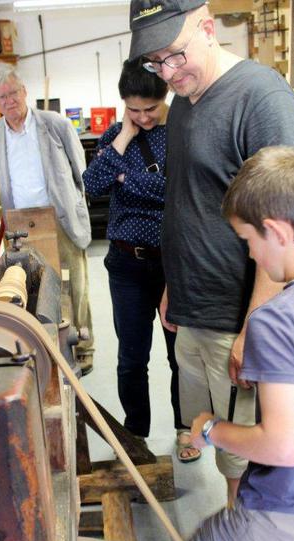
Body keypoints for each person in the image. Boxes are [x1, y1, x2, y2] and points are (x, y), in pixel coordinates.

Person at [129, 0, 294, 505]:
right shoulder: (185, 102)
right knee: (215, 435)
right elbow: (186, 200)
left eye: (174, 55)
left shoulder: (260, 98)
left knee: (245, 457)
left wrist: (257, 326)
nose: (167, 73)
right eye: (155, 63)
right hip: (193, 306)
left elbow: (282, 225)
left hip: (237, 314)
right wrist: (173, 285)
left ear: (208, 28)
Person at [171, 145, 294, 541]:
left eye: (248, 240)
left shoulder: (277, 320)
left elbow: (284, 446)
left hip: (288, 515)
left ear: (278, 232)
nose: (250, 255)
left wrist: (211, 429)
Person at [82, 59, 198, 460]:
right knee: (131, 358)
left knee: (179, 353)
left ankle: (185, 428)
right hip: (126, 264)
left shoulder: (181, 132)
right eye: (134, 110)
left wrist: (126, 178)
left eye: (150, 109)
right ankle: (135, 434)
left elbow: (176, 192)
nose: (144, 117)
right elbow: (92, 184)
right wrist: (124, 137)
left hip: (172, 263)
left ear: (164, 97)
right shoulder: (116, 135)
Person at [0, 62, 94, 375]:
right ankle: (46, 347)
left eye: (13, 93)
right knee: (33, 288)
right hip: (21, 224)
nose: (9, 101)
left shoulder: (55, 124)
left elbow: (81, 173)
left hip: (59, 217)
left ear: (24, 90)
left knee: (74, 286)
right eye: (1, 97)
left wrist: (77, 209)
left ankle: (83, 349)